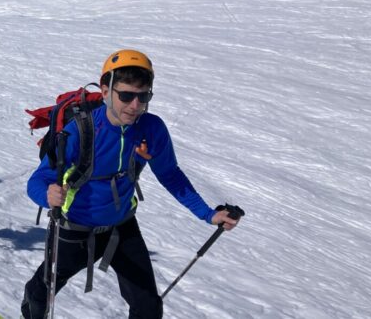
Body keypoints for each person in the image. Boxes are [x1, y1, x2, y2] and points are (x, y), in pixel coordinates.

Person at [20, 50, 241, 319]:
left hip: (122, 226)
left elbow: (170, 174)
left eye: (143, 96)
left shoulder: (151, 128)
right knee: (42, 292)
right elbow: (38, 179)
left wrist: (209, 214)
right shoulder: (81, 130)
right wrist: (47, 194)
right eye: (126, 95)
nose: (135, 105)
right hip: (75, 228)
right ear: (105, 91)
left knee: (148, 307)